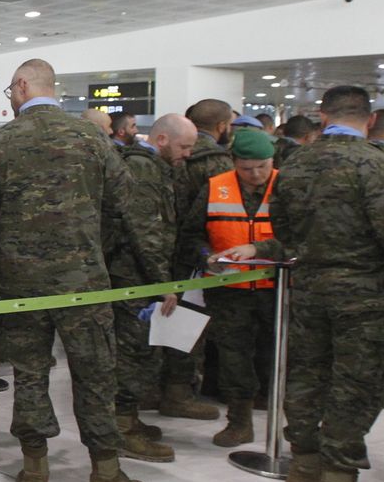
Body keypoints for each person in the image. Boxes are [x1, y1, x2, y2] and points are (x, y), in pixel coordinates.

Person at [0, 59, 159, 482]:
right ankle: (106, 475)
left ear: (24, 86)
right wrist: (157, 276)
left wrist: (3, 216)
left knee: (30, 374)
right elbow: (130, 204)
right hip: (85, 281)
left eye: (10, 90)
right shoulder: (92, 138)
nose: (10, 97)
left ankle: (35, 472)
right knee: (95, 375)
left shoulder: (2, 142)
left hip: (21, 284)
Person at [224, 86, 384, 482]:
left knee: (306, 374)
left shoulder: (295, 165)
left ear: (321, 115)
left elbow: (284, 230)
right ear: (368, 120)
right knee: (357, 385)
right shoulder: (375, 165)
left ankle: (304, 467)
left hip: (309, 286)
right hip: (364, 293)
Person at [177, 128, 280, 447]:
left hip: (277, 291)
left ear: (272, 161)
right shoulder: (215, 188)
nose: (255, 174)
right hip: (227, 293)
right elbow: (191, 235)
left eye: (262, 166)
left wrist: (259, 251)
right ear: (234, 162)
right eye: (247, 168)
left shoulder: (288, 187)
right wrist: (207, 257)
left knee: (278, 356)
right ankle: (239, 421)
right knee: (233, 357)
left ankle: (288, 421)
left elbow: (306, 236)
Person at [105, 112, 196, 462]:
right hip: (132, 278)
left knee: (141, 352)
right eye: (184, 146)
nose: (187, 154)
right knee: (131, 354)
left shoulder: (153, 167)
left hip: (140, 276)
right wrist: (163, 283)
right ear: (161, 140)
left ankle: (128, 420)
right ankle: (122, 429)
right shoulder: (142, 171)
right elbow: (145, 231)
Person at [163, 99, 236, 420]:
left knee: (160, 320)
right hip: (198, 256)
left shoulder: (163, 157)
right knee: (189, 324)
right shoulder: (218, 164)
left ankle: (153, 388)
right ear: (222, 127)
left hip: (158, 251)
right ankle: (179, 392)